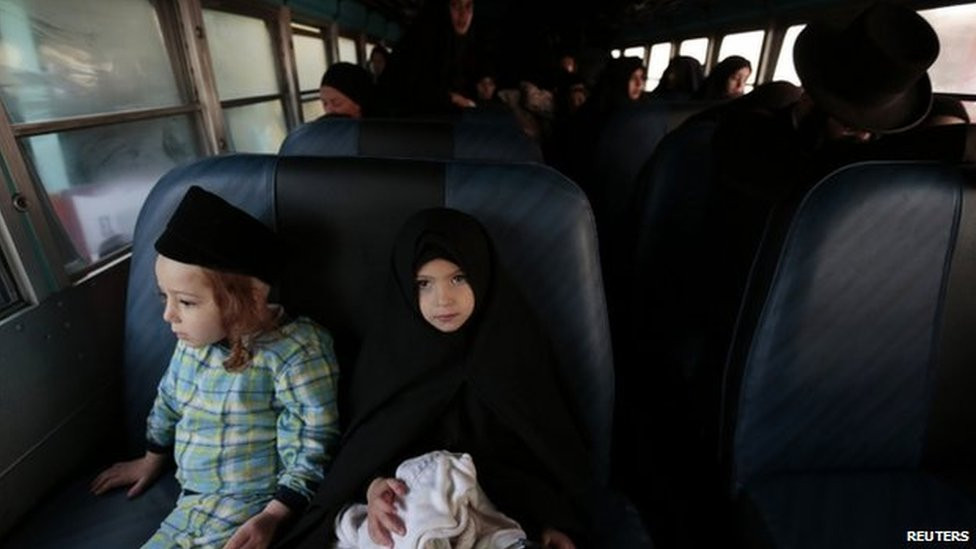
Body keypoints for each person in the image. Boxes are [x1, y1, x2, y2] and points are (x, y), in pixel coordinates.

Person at [276, 208, 594, 549]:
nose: (443, 299)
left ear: (482, 274)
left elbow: (548, 457)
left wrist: (550, 521)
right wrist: (372, 487)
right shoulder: (389, 359)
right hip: (409, 512)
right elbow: (361, 454)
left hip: (499, 516)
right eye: (424, 284)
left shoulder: (514, 351)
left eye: (458, 278)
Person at [90, 186, 340, 549]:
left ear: (249, 298)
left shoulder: (296, 351)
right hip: (193, 496)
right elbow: (168, 401)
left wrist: (274, 514)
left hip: (248, 501)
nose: (168, 315)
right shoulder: (192, 343)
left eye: (186, 302)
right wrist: (151, 459)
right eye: (164, 297)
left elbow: (311, 441)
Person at [377, 0, 483, 115]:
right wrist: (451, 99)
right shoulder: (420, 45)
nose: (463, 14)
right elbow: (411, 91)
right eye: (455, 5)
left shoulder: (465, 48)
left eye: (468, 6)